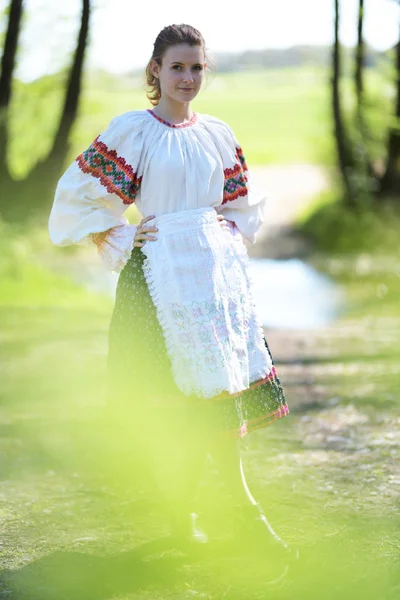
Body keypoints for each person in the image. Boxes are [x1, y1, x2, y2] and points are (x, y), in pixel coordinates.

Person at [48, 23, 294, 563]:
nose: (187, 78)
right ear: (155, 70)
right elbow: (78, 195)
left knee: (219, 397)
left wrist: (224, 235)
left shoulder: (218, 133)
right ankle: (195, 518)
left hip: (211, 280)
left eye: (197, 67)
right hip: (157, 278)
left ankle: (229, 513)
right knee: (169, 405)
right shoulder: (135, 130)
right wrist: (125, 231)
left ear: (207, 70)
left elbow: (241, 201)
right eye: (177, 67)